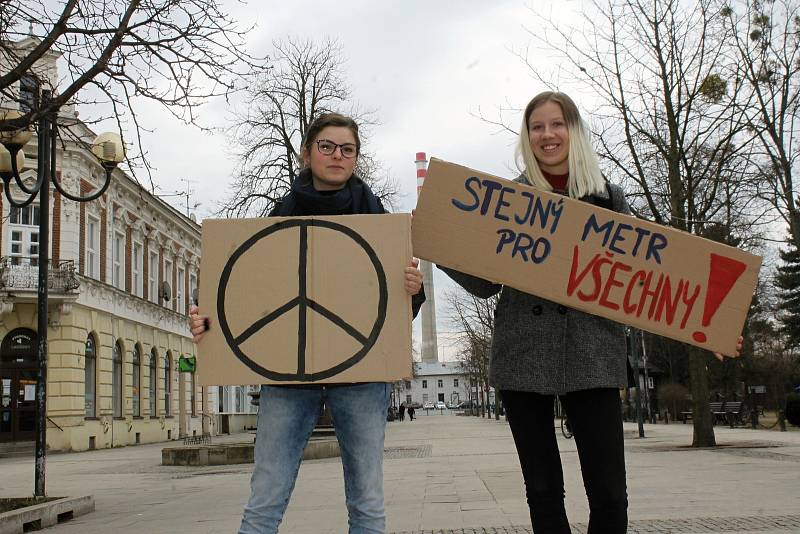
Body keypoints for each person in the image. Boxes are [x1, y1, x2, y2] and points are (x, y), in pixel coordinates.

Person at [439, 91, 741, 534]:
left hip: (593, 354)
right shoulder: (507, 201)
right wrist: (438, 243)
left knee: (610, 494)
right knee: (542, 492)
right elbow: (484, 285)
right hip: (523, 357)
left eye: (557, 124)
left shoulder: (610, 200)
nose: (547, 135)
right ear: (527, 137)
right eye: (537, 127)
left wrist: (708, 324)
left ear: (574, 131)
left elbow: (652, 276)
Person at [189, 112, 425, 534]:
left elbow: (399, 313)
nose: (337, 155)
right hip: (287, 378)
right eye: (327, 146)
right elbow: (245, 292)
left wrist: (413, 286)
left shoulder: (381, 221)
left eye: (347, 149)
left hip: (363, 377)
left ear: (356, 158)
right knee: (265, 497)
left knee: (367, 500)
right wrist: (205, 318)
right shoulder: (278, 218)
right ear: (307, 153)